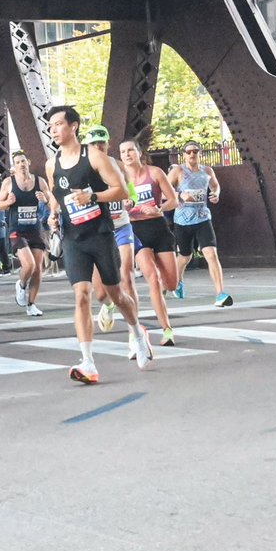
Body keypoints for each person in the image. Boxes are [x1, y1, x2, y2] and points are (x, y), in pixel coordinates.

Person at [44, 106, 151, 384]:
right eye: (51, 126)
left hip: (100, 234)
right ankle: (88, 362)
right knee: (81, 294)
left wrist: (92, 197)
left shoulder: (93, 156)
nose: (54, 130)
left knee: (116, 294)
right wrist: (53, 216)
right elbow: (57, 195)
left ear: (74, 126)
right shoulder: (51, 163)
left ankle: (137, 334)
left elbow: (120, 189)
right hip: (72, 238)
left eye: (58, 124)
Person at [83, 125, 160, 355]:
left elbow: (131, 192)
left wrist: (131, 201)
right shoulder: (85, 170)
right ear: (88, 146)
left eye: (102, 143)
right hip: (97, 230)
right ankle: (107, 306)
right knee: (100, 292)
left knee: (126, 276)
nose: (98, 147)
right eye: (93, 144)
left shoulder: (118, 166)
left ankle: (133, 334)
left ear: (107, 144)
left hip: (121, 226)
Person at [119, 139, 178, 346]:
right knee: (152, 277)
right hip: (136, 230)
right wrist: (123, 208)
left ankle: (162, 294)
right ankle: (167, 330)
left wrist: (158, 209)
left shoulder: (154, 173)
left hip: (158, 227)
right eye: (123, 152)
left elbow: (173, 200)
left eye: (130, 151)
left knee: (171, 283)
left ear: (138, 152)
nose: (127, 155)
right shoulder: (120, 179)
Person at [168, 141, 231, 307]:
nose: (192, 154)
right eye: (188, 152)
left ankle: (220, 294)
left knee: (211, 253)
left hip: (203, 217)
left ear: (200, 153)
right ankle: (177, 281)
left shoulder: (207, 171)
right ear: (183, 155)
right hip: (182, 219)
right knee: (185, 256)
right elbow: (164, 190)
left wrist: (215, 194)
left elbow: (215, 185)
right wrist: (181, 195)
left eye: (195, 151)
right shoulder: (178, 171)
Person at [0, 150, 49, 316]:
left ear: (29, 162)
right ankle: (20, 284)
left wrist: (45, 200)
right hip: (17, 230)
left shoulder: (40, 182)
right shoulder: (8, 182)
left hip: (35, 229)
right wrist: (8, 201)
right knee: (29, 265)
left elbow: (50, 202)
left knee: (38, 270)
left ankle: (31, 305)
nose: (21, 164)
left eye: (23, 161)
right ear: (14, 166)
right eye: (17, 162)